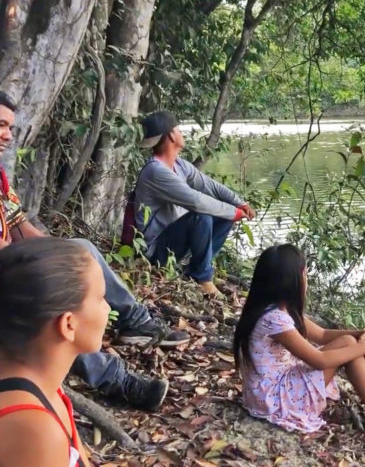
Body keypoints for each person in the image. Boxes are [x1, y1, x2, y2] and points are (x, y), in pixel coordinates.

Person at [0, 90, 187, 411]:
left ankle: (136, 321)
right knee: (50, 295)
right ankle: (116, 381)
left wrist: (58, 251)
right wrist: (46, 267)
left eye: (10, 128)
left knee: (80, 248)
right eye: (1, 125)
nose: (7, 135)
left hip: (9, 265)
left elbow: (19, 227)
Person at [233, 244, 365, 438]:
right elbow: (319, 360)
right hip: (274, 398)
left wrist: (360, 333)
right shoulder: (273, 319)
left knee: (349, 341)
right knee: (349, 344)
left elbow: (323, 334)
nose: (307, 280)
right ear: (291, 282)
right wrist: (364, 346)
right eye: (305, 275)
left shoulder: (277, 309)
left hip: (271, 388)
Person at [0, 238, 111, 467]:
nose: (107, 307)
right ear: (68, 324)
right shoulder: (34, 428)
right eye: (100, 298)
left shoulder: (45, 386)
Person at [133, 110, 255, 296]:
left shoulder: (179, 165)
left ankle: (200, 268)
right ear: (172, 136)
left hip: (172, 244)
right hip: (155, 252)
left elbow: (210, 187)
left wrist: (239, 204)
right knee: (201, 215)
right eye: (179, 130)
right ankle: (203, 278)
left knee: (224, 216)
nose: (181, 133)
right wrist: (233, 211)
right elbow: (196, 201)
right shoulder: (156, 172)